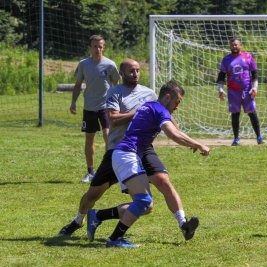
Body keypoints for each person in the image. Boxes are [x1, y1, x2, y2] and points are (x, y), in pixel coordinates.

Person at [59, 60, 199, 242]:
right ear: (122, 73)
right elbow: (113, 120)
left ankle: (183, 224)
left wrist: (178, 131)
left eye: (138, 70)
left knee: (161, 185)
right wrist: (140, 111)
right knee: (94, 194)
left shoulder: (149, 93)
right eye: (131, 71)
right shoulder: (115, 92)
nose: (135, 73)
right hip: (119, 148)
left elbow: (166, 117)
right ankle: (78, 220)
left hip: (143, 148)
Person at [94, 80, 210, 248]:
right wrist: (198, 144)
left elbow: (176, 130)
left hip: (128, 155)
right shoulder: (159, 109)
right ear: (168, 97)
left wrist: (192, 143)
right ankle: (113, 239)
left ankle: (98, 217)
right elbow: (173, 135)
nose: (177, 106)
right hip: (127, 155)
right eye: (177, 102)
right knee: (143, 201)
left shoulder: (151, 106)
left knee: (146, 204)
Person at [70, 35, 120, 183]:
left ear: (103, 47)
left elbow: (117, 86)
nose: (98, 49)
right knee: (89, 139)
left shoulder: (110, 65)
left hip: (106, 107)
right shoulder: (84, 64)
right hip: (89, 107)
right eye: (95, 46)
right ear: (90, 48)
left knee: (108, 136)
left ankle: (108, 169)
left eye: (100, 46)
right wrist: (73, 102)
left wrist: (119, 104)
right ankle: (90, 172)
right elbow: (78, 84)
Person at [217, 37, 264, 146]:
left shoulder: (248, 57)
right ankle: (236, 138)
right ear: (230, 46)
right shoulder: (226, 59)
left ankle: (259, 137)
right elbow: (221, 75)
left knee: (252, 113)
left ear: (240, 45)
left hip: (247, 90)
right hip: (233, 91)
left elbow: (255, 73)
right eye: (232, 45)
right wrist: (220, 89)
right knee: (235, 114)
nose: (234, 46)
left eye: (236, 44)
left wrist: (255, 87)